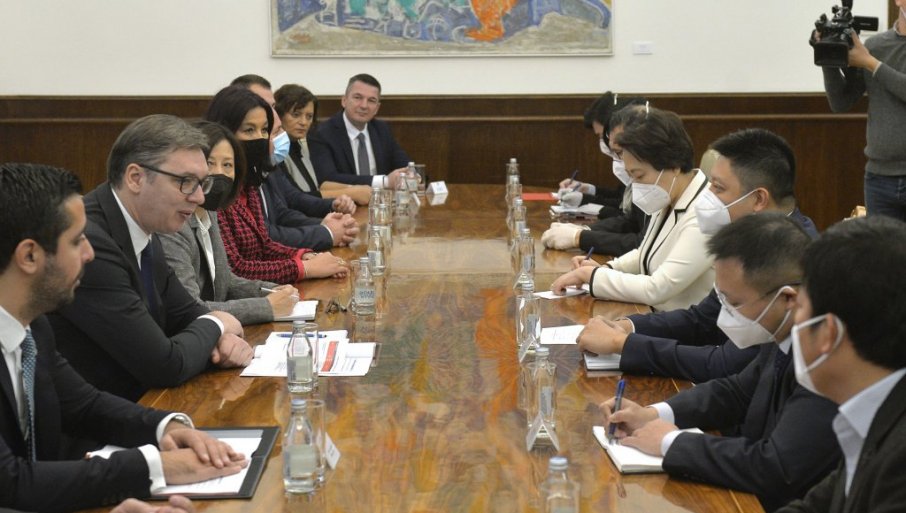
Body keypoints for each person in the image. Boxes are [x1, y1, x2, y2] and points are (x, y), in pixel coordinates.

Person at [0, 163, 246, 512]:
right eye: (77, 240)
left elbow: (83, 405)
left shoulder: (32, 325)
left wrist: (166, 428)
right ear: (29, 256)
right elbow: (11, 482)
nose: (89, 254)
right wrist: (155, 467)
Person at [602, 214, 840, 512]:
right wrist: (652, 414)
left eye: (735, 303)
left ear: (788, 299)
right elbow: (736, 392)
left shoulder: (828, 357)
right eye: (721, 300)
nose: (724, 314)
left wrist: (670, 443)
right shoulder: (781, 329)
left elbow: (776, 468)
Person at [578, 128, 818, 383]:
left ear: (759, 199)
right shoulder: (747, 236)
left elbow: (725, 364)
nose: (707, 195)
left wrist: (623, 344)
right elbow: (702, 319)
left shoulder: (796, 259)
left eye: (718, 188)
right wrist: (628, 325)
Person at [47, 115, 253, 402]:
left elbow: (185, 313)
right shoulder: (89, 244)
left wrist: (219, 337)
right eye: (186, 182)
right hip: (94, 418)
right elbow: (164, 365)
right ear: (136, 178)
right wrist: (218, 325)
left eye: (201, 184)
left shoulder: (145, 227)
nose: (199, 198)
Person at [776, 216, 906, 512]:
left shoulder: (900, 458)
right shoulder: (875, 414)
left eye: (800, 307)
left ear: (828, 332)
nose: (793, 320)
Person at [550, 107, 712, 312]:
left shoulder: (705, 213)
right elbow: (645, 252)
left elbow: (658, 288)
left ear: (674, 165)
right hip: (658, 316)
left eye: (639, 176)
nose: (636, 186)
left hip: (684, 325)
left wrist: (593, 277)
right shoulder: (670, 193)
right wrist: (608, 268)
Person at [158, 121, 300, 325]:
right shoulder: (174, 225)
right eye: (210, 164)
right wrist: (266, 306)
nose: (219, 173)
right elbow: (190, 308)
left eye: (227, 165)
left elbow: (225, 281)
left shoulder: (210, 211)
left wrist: (272, 290)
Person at [205, 87, 348, 283]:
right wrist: (303, 268)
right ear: (226, 131)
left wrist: (304, 256)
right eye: (249, 130)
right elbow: (235, 268)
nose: (261, 139)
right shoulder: (215, 189)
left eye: (265, 130)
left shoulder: (249, 182)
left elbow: (264, 244)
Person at [228, 80, 360, 249]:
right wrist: (326, 232)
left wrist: (328, 224)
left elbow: (283, 208)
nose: (269, 112)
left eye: (271, 106)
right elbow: (263, 236)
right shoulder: (234, 171)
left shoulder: (269, 159)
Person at [818, 2, 906, 221]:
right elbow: (841, 102)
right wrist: (828, 55)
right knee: (880, 244)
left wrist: (871, 63)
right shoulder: (876, 46)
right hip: (879, 177)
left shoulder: (870, 56)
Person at [542, 93, 647, 256]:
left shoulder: (653, 177)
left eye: (619, 151)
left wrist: (580, 237)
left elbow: (643, 244)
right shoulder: (639, 172)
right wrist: (583, 230)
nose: (620, 160)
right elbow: (630, 221)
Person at [275, 83, 373, 205]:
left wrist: (358, 189)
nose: (304, 122)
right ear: (279, 115)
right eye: (296, 115)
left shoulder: (300, 145)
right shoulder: (277, 151)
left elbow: (318, 186)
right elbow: (296, 199)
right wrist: (352, 193)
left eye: (309, 116)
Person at [309, 73, 412, 189]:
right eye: (358, 98)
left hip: (381, 199)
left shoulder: (382, 130)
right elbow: (328, 178)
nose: (364, 105)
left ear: (377, 108)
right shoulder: (322, 133)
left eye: (371, 100)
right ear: (344, 101)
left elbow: (404, 164)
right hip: (343, 199)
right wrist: (384, 181)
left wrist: (412, 176)